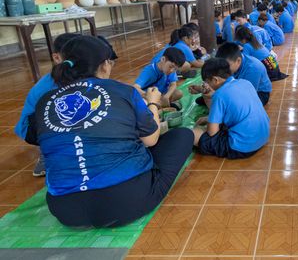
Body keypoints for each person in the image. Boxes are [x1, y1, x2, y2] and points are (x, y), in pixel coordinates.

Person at [26, 36, 196, 228]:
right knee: (183, 135)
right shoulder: (123, 90)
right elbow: (150, 140)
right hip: (126, 202)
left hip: (66, 211)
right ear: (104, 64)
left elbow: (35, 136)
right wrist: (153, 103)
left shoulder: (45, 100)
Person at [14, 33, 81, 177]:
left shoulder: (76, 76)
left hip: (45, 121)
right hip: (33, 128)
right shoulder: (52, 84)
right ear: (57, 58)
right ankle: (47, 154)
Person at [193, 58, 270, 159]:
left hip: (242, 146)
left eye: (207, 82)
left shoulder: (219, 95)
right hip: (263, 136)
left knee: (193, 134)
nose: (207, 86)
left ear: (215, 80)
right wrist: (209, 118)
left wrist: (206, 126)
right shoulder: (245, 82)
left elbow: (212, 132)